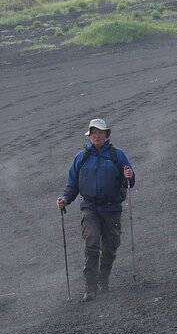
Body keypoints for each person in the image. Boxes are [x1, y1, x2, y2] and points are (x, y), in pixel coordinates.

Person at [56, 118, 134, 301]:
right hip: (90, 207)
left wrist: (129, 175)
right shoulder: (81, 157)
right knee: (92, 243)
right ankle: (90, 287)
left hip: (112, 208)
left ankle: (103, 279)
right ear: (89, 136)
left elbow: (129, 182)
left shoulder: (117, 155)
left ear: (106, 135)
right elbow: (72, 185)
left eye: (100, 132)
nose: (96, 135)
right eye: (93, 132)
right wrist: (65, 199)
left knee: (110, 246)